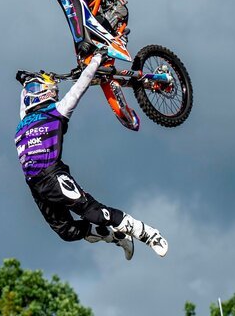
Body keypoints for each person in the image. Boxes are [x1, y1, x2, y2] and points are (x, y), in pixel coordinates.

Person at [14, 52, 168, 260]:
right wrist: (25, 81)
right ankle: (116, 237)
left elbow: (81, 86)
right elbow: (24, 102)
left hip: (53, 176)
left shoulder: (57, 111)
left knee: (95, 213)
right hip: (34, 184)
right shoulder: (24, 120)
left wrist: (95, 61)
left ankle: (147, 233)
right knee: (66, 232)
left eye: (33, 88)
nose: (29, 93)